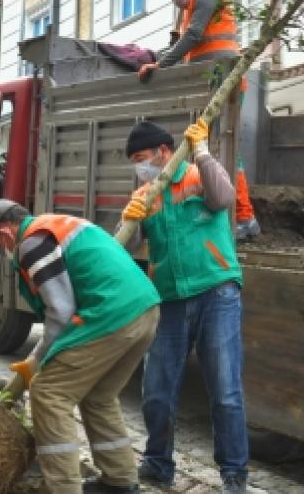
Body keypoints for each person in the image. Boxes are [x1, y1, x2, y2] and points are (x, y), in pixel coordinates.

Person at [0, 199, 161, 494]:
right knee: (99, 395)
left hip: (111, 315)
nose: (4, 250)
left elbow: (61, 311)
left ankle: (64, 488)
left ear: (5, 231)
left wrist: (37, 360)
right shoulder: (57, 224)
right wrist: (35, 359)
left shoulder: (31, 242)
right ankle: (120, 481)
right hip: (144, 310)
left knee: (49, 393)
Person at [121, 120, 249, 494]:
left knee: (225, 390)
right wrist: (129, 219)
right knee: (157, 390)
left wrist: (204, 152)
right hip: (169, 298)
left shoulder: (197, 173)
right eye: (133, 162)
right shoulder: (147, 193)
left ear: (165, 151)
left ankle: (234, 475)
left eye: (143, 158)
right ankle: (158, 464)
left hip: (216, 292)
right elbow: (127, 250)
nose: (139, 167)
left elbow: (224, 199)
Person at [137, 0, 260, 240]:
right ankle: (244, 217)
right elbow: (187, 45)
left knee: (223, 148)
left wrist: (160, 64)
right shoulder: (188, 12)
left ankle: (243, 217)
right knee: (222, 149)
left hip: (225, 81)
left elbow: (193, 37)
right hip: (213, 84)